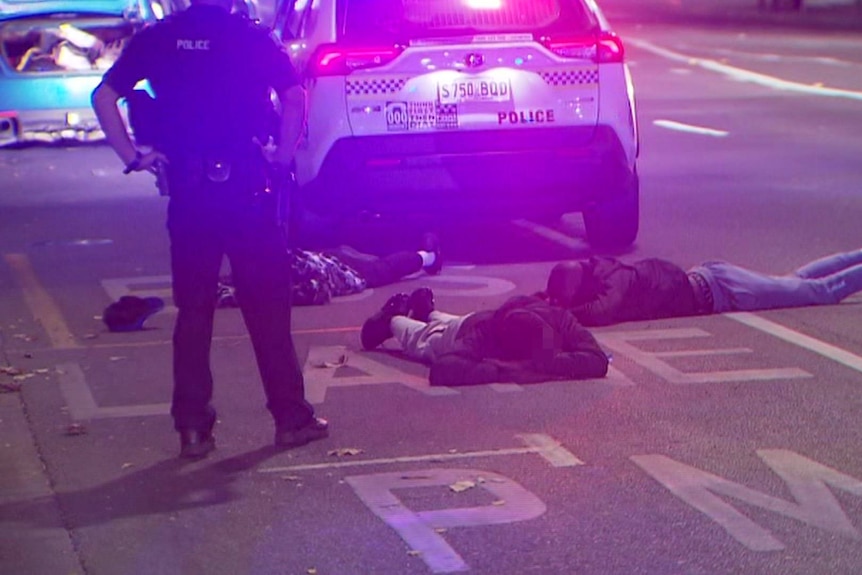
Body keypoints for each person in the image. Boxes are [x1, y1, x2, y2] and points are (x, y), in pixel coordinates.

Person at [91, 0, 327, 459]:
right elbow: (294, 96)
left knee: (194, 311)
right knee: (267, 310)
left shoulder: (159, 37)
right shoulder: (252, 36)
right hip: (247, 191)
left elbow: (104, 96)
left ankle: (193, 427)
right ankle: (290, 418)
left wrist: (133, 157)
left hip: (189, 192)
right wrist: (281, 156)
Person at [545, 249, 862, 326]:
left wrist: (564, 314)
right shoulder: (605, 267)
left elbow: (603, 311)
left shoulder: (614, 282)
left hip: (725, 291)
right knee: (796, 282)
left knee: (820, 292)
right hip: (713, 279)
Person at [360, 289, 609, 386]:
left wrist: (542, 365)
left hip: (476, 318)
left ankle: (428, 312)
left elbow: (598, 360)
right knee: (423, 340)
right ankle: (392, 319)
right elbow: (443, 369)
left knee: (449, 322)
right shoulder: (489, 333)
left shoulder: (560, 319)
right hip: (462, 331)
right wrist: (498, 370)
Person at [217, 234, 442, 307]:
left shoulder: (285, 271)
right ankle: (428, 255)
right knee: (381, 264)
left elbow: (319, 288)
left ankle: (429, 256)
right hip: (333, 262)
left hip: (340, 267)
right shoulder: (263, 272)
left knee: (383, 268)